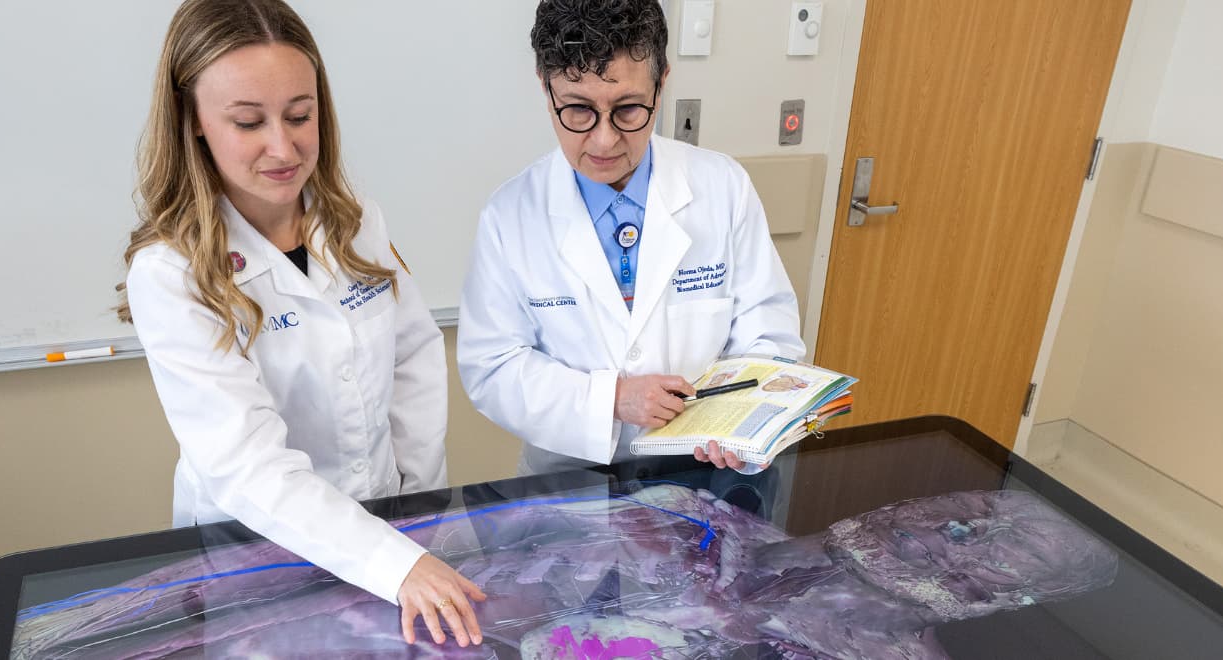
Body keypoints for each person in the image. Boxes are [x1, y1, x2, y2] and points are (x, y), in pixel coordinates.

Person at [116, 0, 482, 647]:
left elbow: (414, 360)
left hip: (392, 523)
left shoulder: (354, 219)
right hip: (260, 553)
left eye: (300, 115)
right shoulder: (169, 272)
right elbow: (246, 464)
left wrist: (420, 511)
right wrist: (394, 562)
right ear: (193, 121)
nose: (283, 148)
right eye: (249, 122)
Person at [458, 0, 806, 477]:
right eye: (578, 109)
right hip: (568, 477)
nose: (603, 141)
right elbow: (493, 369)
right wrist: (612, 400)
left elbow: (769, 335)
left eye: (627, 109)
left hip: (706, 470)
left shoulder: (722, 187)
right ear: (545, 87)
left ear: (661, 83)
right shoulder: (510, 216)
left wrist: (742, 423)